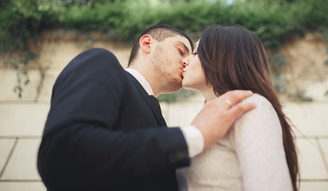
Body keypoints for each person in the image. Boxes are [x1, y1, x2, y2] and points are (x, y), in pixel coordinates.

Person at [37, 23, 255, 191]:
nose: (187, 62)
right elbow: (65, 152)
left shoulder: (156, 117)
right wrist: (195, 135)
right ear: (148, 44)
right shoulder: (101, 63)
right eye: (181, 51)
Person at [181, 24, 299, 191]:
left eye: (195, 53)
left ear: (224, 57)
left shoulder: (251, 107)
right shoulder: (211, 114)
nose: (185, 61)